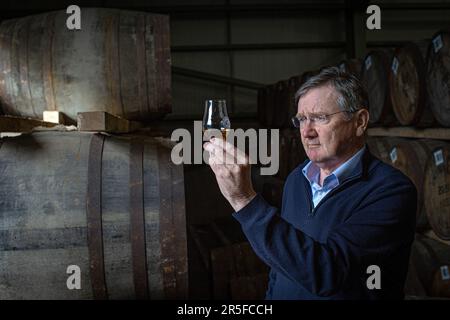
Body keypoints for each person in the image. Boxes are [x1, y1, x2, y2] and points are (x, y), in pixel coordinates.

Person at [203, 66, 417, 300]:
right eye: (302, 120)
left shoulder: (390, 191)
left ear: (359, 121)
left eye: (320, 118)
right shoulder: (297, 179)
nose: (306, 132)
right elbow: (280, 265)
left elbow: (328, 272)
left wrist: (244, 200)